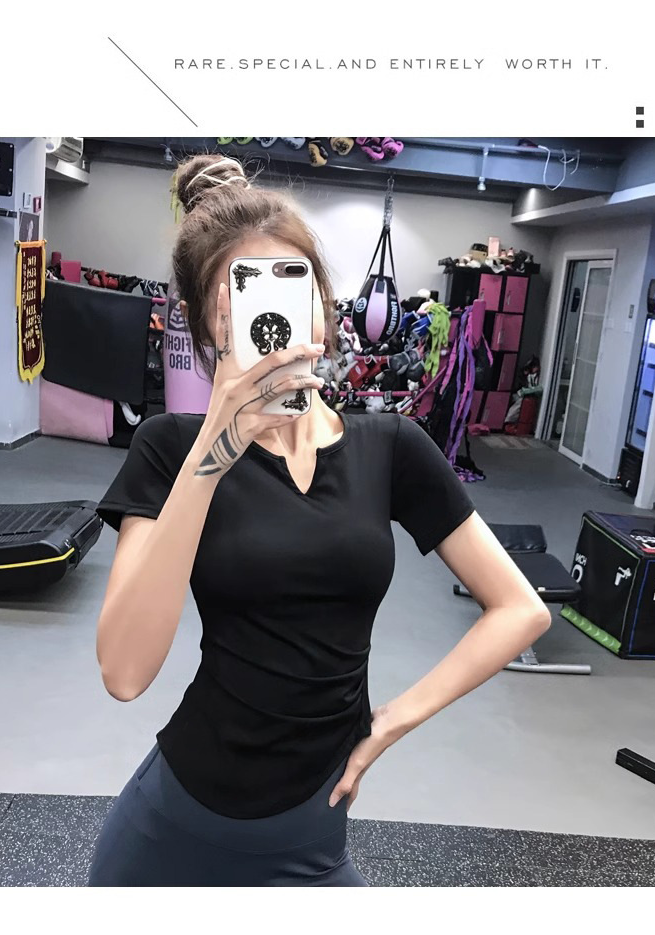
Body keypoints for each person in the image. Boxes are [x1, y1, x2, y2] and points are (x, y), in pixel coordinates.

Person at [88, 154, 551, 887]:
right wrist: (214, 451)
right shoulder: (170, 447)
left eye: (294, 283)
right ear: (211, 322)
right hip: (176, 826)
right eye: (242, 296)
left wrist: (390, 722)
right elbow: (123, 672)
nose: (274, 316)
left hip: (313, 831)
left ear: (324, 307)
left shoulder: (390, 446)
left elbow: (521, 609)